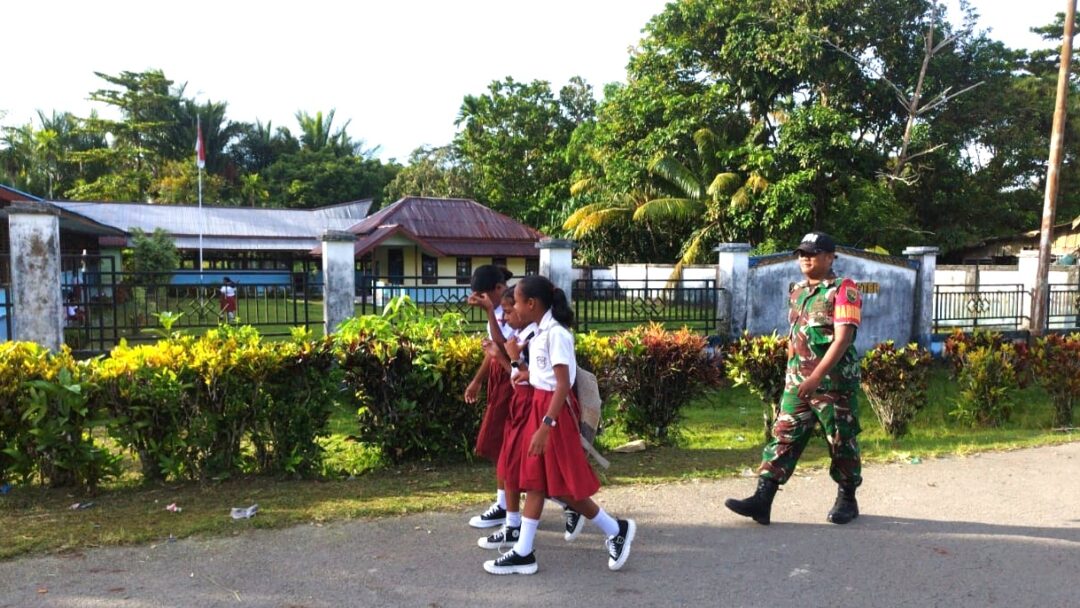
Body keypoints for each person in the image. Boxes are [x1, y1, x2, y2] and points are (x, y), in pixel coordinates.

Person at [484, 275, 635, 575]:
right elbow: (546, 377)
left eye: (515, 303)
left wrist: (546, 425)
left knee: (562, 486)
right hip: (541, 408)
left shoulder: (557, 334)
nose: (512, 307)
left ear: (531, 303)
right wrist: (527, 374)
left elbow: (564, 385)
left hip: (552, 415)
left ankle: (615, 528)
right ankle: (525, 552)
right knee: (538, 482)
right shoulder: (539, 333)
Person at [725, 231, 864, 525]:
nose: (805, 258)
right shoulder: (798, 291)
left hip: (833, 385)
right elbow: (795, 336)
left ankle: (847, 498)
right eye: (802, 253)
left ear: (830, 257)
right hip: (798, 382)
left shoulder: (844, 289)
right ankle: (762, 500)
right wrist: (791, 374)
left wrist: (815, 377)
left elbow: (842, 340)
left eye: (812, 253)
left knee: (841, 441)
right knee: (783, 436)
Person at [464, 265, 516, 529]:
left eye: (483, 295)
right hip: (500, 377)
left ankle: (508, 508)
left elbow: (504, 349)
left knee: (503, 442)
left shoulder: (510, 310)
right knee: (499, 443)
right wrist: (476, 381)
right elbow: (492, 351)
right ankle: (505, 504)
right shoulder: (496, 310)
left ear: (498, 288)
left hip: (514, 379)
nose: (480, 300)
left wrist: (489, 312)